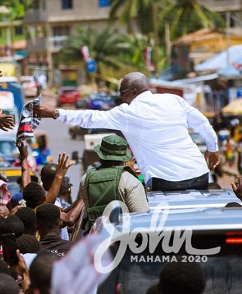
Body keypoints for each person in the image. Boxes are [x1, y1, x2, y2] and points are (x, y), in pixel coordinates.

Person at [34, 72, 219, 191]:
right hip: (200, 175)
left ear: (132, 92)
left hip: (166, 183)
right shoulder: (173, 100)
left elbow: (90, 117)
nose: (120, 98)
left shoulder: (127, 113)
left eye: (121, 93)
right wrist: (212, 149)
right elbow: (202, 123)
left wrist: (54, 113)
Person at [80, 135, 149, 232]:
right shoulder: (130, 181)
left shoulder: (86, 178)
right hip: (123, 241)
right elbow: (141, 220)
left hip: (96, 241)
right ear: (125, 158)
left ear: (100, 155)